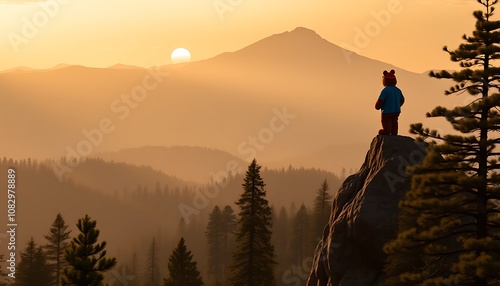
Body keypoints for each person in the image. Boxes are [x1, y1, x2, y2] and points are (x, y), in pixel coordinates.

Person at [375, 69, 405, 135]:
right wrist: (397, 105)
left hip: (386, 111)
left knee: (386, 122)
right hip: (396, 111)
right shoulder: (398, 90)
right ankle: (394, 132)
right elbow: (402, 100)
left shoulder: (385, 91)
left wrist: (377, 106)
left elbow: (380, 100)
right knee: (394, 122)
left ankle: (386, 131)